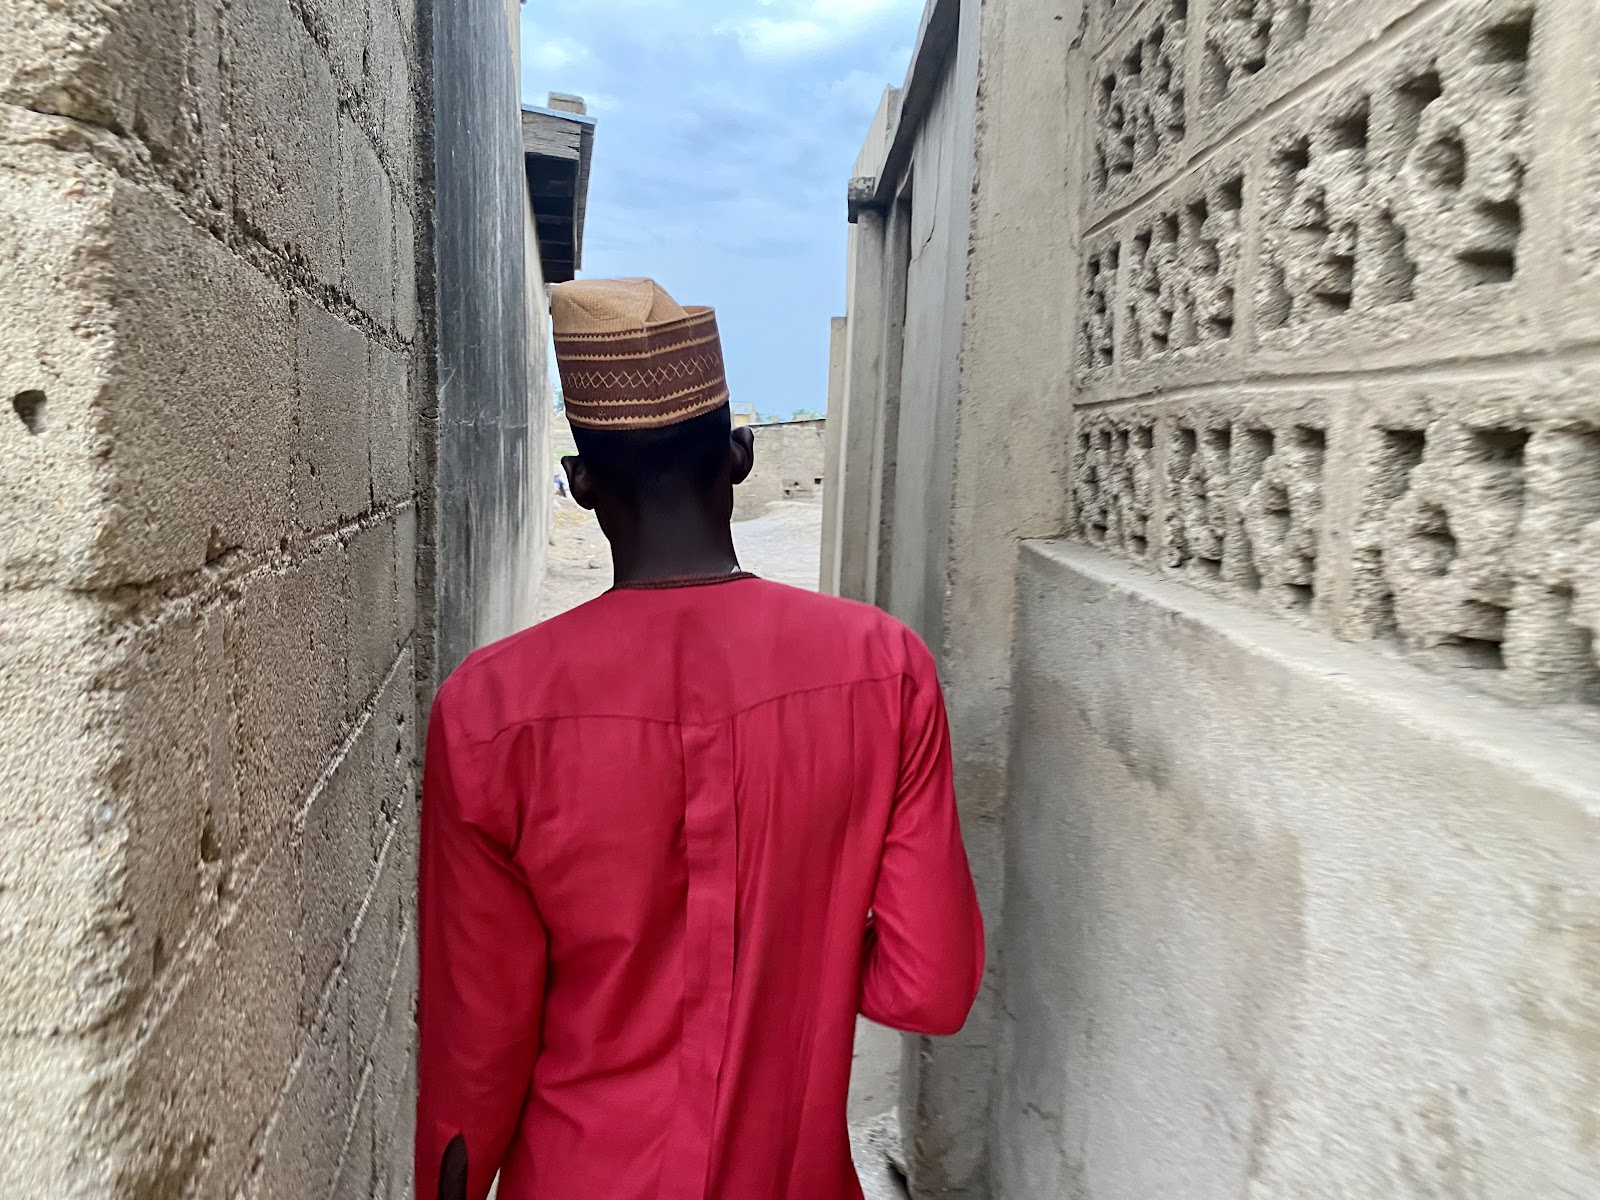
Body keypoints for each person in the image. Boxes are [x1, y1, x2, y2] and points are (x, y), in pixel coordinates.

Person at [416, 278, 983, 1200]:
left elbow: (477, 1036)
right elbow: (931, 988)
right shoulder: (886, 670)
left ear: (580, 482)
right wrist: (811, 937)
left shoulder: (490, 711)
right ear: (741, 456)